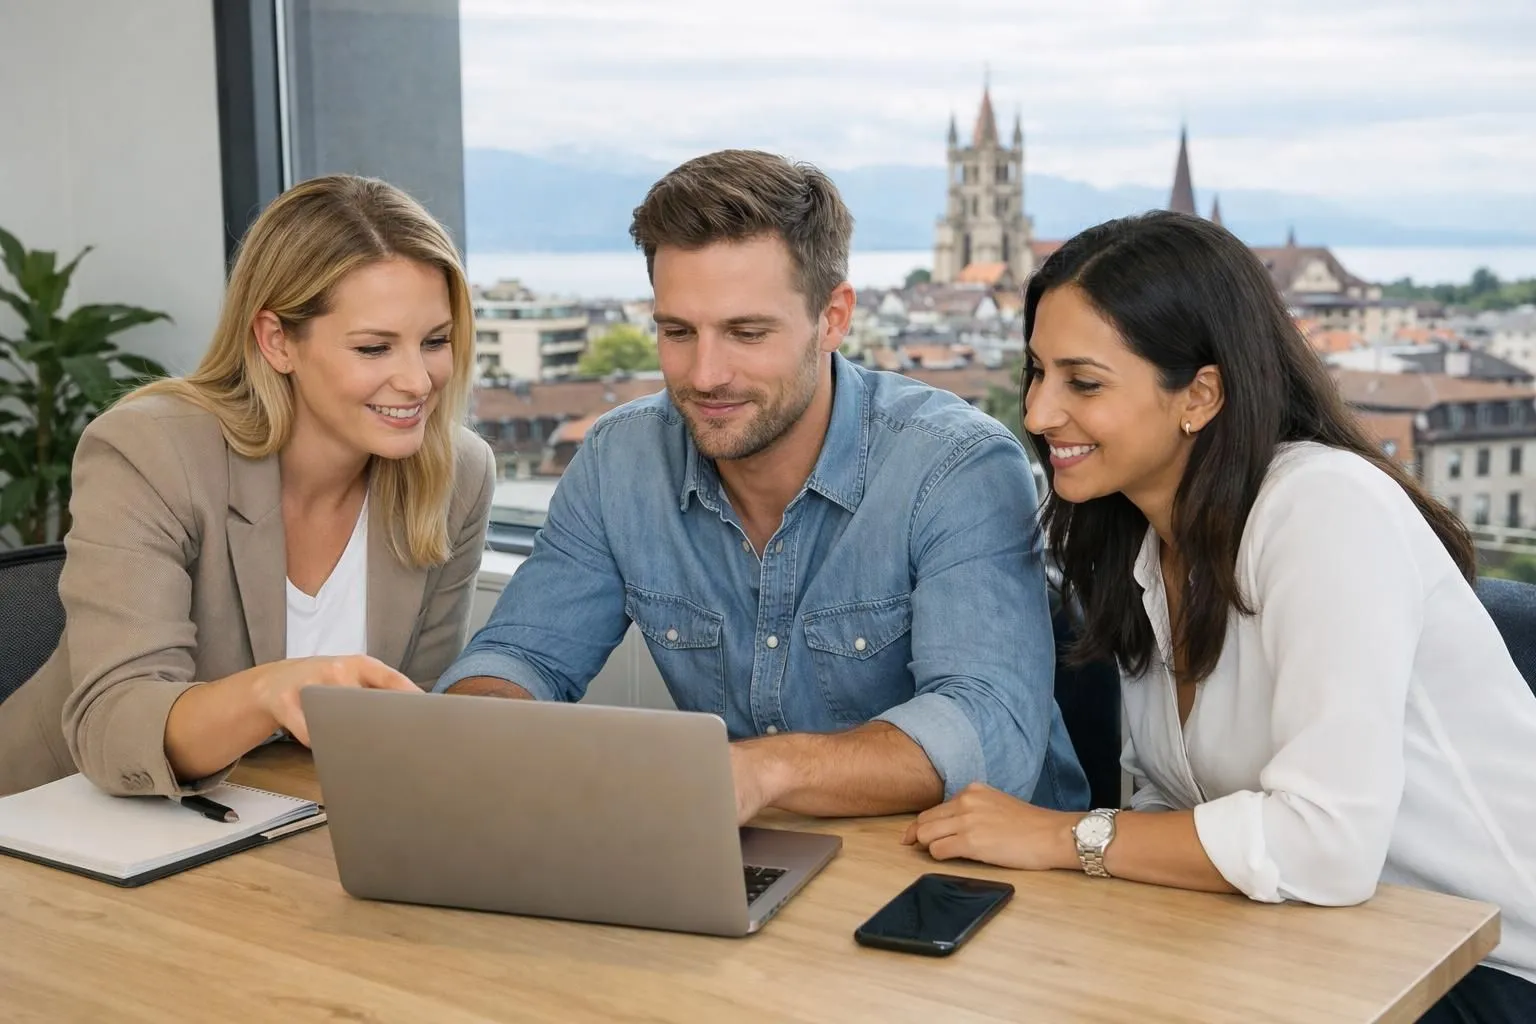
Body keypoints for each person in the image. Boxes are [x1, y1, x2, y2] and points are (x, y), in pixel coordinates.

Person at [904, 211, 1536, 1020]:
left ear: (1200, 394)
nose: (1036, 414)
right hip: (1314, 955)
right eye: (1037, 373)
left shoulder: (1323, 508)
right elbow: (1174, 812)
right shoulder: (1141, 546)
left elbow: (1325, 846)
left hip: (1491, 975)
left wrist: (1061, 836)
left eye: (1083, 382)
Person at [435, 149, 1088, 821]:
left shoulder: (955, 466)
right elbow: (521, 654)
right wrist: (482, 724)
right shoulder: (618, 460)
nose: (706, 373)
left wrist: (764, 770)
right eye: (677, 331)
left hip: (983, 881)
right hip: (754, 858)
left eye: (747, 333)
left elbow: (989, 732)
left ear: (833, 318)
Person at [0, 174, 495, 798]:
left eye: (434, 342)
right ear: (276, 341)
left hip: (273, 830)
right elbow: (113, 721)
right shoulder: (152, 451)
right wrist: (270, 692)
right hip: (53, 824)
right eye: (374, 348)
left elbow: (407, 720)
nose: (419, 382)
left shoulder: (455, 474)